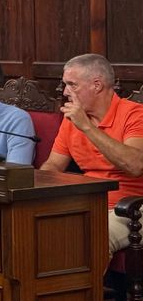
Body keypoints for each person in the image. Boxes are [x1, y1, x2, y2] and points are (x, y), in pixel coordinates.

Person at [40, 54, 143, 256]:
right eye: (65, 84)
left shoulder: (135, 114)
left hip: (131, 207)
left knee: (88, 239)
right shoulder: (71, 120)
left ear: (97, 85)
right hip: (88, 202)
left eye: (72, 85)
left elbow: (135, 166)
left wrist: (86, 127)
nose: (65, 92)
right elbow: (54, 165)